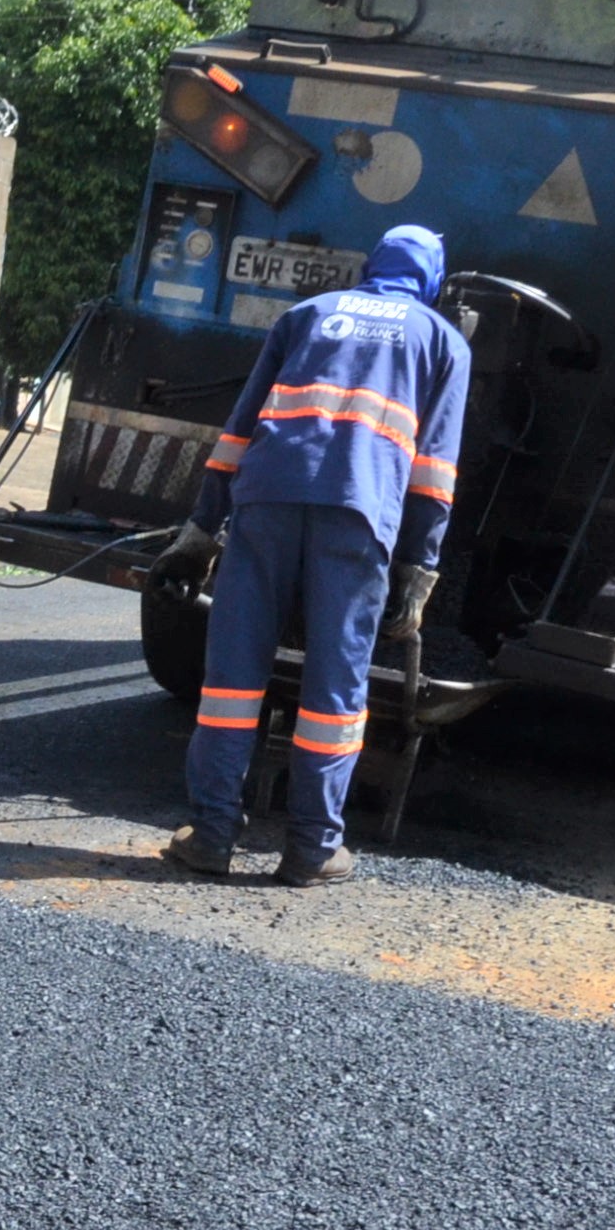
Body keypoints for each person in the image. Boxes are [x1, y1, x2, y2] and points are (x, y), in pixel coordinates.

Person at [150, 223, 467, 887]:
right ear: (432, 282)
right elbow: (434, 470)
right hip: (357, 518)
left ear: (371, 266)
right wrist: (419, 568)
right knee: (333, 688)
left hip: (264, 500)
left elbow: (239, 428)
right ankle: (312, 849)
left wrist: (203, 527)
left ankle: (209, 835)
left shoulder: (308, 315)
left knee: (233, 676)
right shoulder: (442, 341)